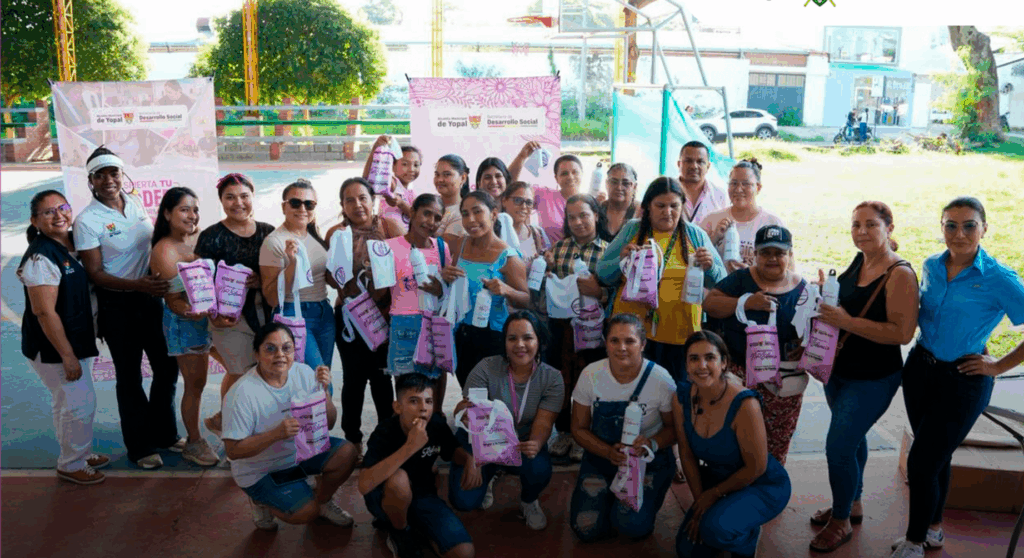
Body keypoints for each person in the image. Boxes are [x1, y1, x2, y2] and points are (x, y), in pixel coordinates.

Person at [891, 197, 1024, 558]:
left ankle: (915, 541)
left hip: (963, 380)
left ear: (984, 229)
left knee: (921, 463)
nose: (959, 233)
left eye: (969, 225)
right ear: (942, 228)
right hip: (920, 370)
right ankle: (933, 529)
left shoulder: (998, 278)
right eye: (950, 225)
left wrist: (997, 366)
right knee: (937, 456)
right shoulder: (932, 265)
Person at [806, 202, 918, 553]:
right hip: (839, 370)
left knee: (838, 446)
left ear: (889, 228)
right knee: (852, 439)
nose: (862, 231)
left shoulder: (900, 274)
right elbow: (848, 305)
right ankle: (851, 504)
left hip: (873, 377)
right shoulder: (860, 260)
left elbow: (902, 333)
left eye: (871, 224)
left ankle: (840, 521)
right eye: (856, 225)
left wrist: (846, 321)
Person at [74, 146, 182, 470]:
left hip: (151, 299)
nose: (108, 180)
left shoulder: (134, 203)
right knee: (130, 377)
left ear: (123, 175)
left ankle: (164, 433)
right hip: (118, 306)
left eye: (114, 173)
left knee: (167, 369)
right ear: (91, 181)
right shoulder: (87, 220)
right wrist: (138, 285)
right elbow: (95, 273)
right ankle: (140, 446)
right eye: (100, 175)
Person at [222, 323, 358, 531]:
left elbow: (328, 424)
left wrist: (324, 392)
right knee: (306, 512)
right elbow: (233, 451)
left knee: (348, 452)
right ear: (256, 354)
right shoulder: (241, 393)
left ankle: (323, 502)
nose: (280, 355)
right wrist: (275, 434)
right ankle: (261, 501)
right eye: (270, 348)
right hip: (261, 471)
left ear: (295, 351)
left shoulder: (304, 373)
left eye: (287, 348)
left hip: (299, 454)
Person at [673, 331, 791, 558]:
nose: (702, 365)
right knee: (688, 551)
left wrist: (713, 495)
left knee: (715, 529)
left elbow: (757, 467)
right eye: (694, 358)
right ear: (686, 365)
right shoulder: (681, 399)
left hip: (761, 484)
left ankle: (747, 537)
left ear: (724, 363)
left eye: (710, 357)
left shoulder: (745, 404)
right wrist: (700, 504)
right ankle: (725, 520)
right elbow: (686, 455)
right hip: (719, 479)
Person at [597, 176, 726, 381]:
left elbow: (721, 283)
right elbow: (603, 273)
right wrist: (621, 260)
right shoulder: (633, 229)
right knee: (632, 388)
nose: (668, 212)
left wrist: (710, 267)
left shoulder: (695, 234)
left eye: (674, 206)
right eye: (660, 206)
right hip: (632, 335)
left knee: (675, 392)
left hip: (680, 333)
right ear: (648, 206)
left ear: (682, 206)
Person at [20, 190, 109, 484]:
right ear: (35, 220)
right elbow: (44, 312)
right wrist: (67, 355)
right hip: (54, 347)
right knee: (79, 404)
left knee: (67, 402)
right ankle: (71, 464)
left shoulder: (71, 243)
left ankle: (78, 453)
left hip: (75, 339)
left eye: (63, 207)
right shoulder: (41, 258)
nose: (59, 215)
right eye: (48, 212)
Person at [702, 225, 807, 465]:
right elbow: (710, 304)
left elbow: (816, 328)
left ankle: (768, 486)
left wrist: (805, 345)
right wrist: (746, 302)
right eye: (765, 252)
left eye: (779, 253)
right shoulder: (741, 279)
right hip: (739, 376)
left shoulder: (803, 289)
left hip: (782, 383)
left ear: (790, 254)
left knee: (775, 447)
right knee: (731, 440)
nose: (772, 259)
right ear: (755, 254)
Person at [449, 311, 564, 530]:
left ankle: (528, 501)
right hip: (482, 441)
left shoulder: (552, 378)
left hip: (520, 442)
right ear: (504, 342)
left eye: (527, 338)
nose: (520, 345)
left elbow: (544, 423)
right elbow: (463, 407)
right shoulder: (485, 367)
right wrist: (463, 414)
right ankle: (489, 474)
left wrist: (536, 443)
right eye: (512, 338)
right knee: (463, 500)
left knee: (538, 468)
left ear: (539, 340)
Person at [569, 313, 677, 542]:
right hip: (601, 459)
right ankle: (611, 497)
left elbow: (674, 429)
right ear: (605, 343)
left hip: (647, 464)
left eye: (630, 341)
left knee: (630, 526)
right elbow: (578, 429)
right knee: (585, 528)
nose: (622, 348)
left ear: (643, 344)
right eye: (614, 340)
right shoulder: (590, 375)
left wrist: (651, 443)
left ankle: (630, 505)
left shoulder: (661, 379)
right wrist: (607, 451)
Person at [324, 177, 404, 456]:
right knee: (353, 381)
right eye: (350, 200)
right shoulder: (336, 234)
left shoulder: (390, 228)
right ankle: (353, 439)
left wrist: (382, 273)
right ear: (342, 205)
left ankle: (384, 439)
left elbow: (405, 270)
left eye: (362, 198)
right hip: (349, 318)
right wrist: (341, 273)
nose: (357, 204)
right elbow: (330, 279)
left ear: (373, 200)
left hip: (384, 317)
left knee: (382, 381)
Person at [358, 373, 477, 558]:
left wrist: (470, 459)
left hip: (423, 496)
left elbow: (452, 451)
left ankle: (417, 527)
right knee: (399, 479)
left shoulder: (436, 424)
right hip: (385, 499)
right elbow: (364, 484)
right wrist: (410, 447)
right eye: (414, 401)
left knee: (464, 552)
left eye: (428, 401)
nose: (423, 408)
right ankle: (399, 532)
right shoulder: (385, 431)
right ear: (398, 407)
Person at [195, 173, 275, 435]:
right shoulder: (211, 236)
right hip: (229, 319)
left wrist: (261, 279)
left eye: (244, 196)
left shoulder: (268, 231)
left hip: (266, 313)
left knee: (261, 372)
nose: (238, 203)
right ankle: (233, 432)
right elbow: (200, 284)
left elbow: (278, 272)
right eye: (230, 197)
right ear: (221, 201)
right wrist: (213, 315)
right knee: (240, 372)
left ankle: (229, 420)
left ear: (253, 197)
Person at [149, 187, 220, 467]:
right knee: (196, 385)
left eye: (195, 209)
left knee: (239, 367)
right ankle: (194, 442)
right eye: (184, 209)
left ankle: (221, 420)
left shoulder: (200, 237)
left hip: (212, 319)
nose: (192, 215)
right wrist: (193, 312)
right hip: (185, 323)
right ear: (167, 214)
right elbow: (174, 301)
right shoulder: (163, 250)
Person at [544, 194, 613, 462]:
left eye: (584, 215)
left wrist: (600, 293)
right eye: (571, 217)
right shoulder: (558, 248)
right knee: (562, 378)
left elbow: (616, 292)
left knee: (592, 377)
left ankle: (586, 433)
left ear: (596, 215)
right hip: (563, 329)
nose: (578, 222)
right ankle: (564, 431)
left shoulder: (609, 251)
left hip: (594, 329)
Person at [441, 191, 530, 389]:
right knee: (468, 393)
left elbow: (526, 300)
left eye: (477, 212)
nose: (471, 220)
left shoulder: (509, 257)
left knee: (491, 397)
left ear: (494, 214)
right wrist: (446, 276)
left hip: (493, 338)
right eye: (465, 214)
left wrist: (506, 290)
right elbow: (454, 286)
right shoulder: (461, 244)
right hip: (461, 334)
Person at [258, 179, 334, 369]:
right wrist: (291, 264)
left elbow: (327, 278)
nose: (302, 209)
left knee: (322, 376)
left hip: (324, 312)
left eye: (309, 204)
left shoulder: (314, 235)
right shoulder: (274, 242)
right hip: (294, 313)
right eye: (295, 203)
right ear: (284, 207)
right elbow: (272, 298)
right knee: (320, 379)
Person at [386, 194, 451, 401]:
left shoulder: (441, 248)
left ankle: (435, 420)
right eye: (426, 214)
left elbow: (449, 291)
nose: (431, 222)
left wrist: (440, 289)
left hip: (433, 325)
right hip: (403, 324)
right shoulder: (390, 247)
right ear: (412, 213)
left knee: (433, 384)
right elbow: (380, 292)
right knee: (406, 391)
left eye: (437, 218)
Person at [698, 159, 786, 272]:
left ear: (758, 187)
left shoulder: (772, 224)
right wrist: (714, 237)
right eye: (734, 183)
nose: (738, 189)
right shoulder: (712, 220)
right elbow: (694, 259)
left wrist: (752, 274)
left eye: (746, 184)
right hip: (719, 284)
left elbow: (786, 268)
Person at [509, 142, 583, 244]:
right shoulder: (544, 195)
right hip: (548, 253)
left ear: (582, 174)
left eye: (575, 172)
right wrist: (521, 157)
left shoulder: (591, 202)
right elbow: (510, 187)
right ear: (556, 178)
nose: (570, 177)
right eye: (564, 173)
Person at [362, 135, 422, 232]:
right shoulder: (391, 183)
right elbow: (367, 179)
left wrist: (401, 203)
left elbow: (416, 218)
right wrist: (375, 150)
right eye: (405, 164)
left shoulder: (412, 194)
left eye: (416, 165)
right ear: (392, 166)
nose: (411, 169)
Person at [677, 141, 729, 226]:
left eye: (700, 162)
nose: (694, 166)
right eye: (688, 161)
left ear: (708, 166)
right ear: (679, 164)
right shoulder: (665, 192)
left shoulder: (720, 195)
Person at [500, 181, 550, 262]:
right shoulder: (494, 233)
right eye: (518, 200)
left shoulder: (537, 234)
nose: (524, 206)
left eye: (529, 203)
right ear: (504, 201)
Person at [599, 162, 640, 240]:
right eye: (614, 182)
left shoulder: (642, 212)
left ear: (634, 187)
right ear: (607, 184)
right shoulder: (598, 208)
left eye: (626, 183)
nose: (619, 187)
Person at [435, 154, 470, 238]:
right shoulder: (430, 202)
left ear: (463, 178)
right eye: (437, 175)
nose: (440, 179)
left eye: (447, 174)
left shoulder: (463, 213)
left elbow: (443, 245)